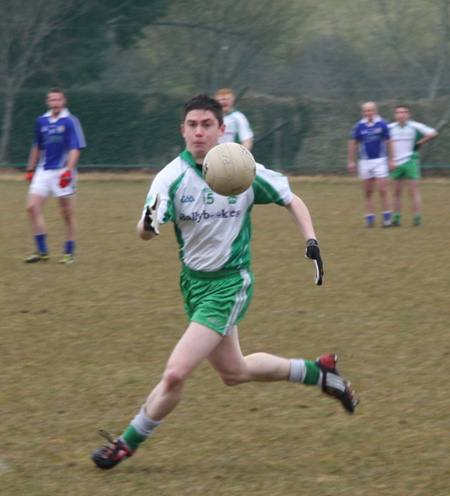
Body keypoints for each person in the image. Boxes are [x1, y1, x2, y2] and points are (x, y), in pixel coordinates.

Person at [91, 94, 358, 470]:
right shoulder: (171, 177)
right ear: (182, 130)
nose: (199, 132)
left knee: (175, 372)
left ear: (221, 130)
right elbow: (145, 230)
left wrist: (311, 240)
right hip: (193, 283)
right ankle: (319, 373)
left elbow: (290, 198)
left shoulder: (242, 170)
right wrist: (148, 226)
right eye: (192, 125)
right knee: (235, 372)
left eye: (206, 125)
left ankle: (126, 442)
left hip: (230, 284)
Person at [24, 88, 86, 264]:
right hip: (43, 171)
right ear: (48, 102)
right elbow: (37, 146)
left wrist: (68, 170)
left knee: (66, 212)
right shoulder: (41, 121)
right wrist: (30, 169)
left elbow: (75, 148)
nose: (55, 103)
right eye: (52, 100)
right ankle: (42, 251)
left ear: (64, 101)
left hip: (63, 171)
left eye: (58, 100)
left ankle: (68, 252)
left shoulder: (70, 121)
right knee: (32, 208)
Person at [388, 104, 438, 227]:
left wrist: (420, 141)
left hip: (410, 161)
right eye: (399, 112)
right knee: (396, 191)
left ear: (408, 114)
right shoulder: (390, 128)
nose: (402, 114)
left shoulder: (415, 126)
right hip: (396, 162)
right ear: (395, 115)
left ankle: (417, 219)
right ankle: (396, 219)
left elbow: (433, 133)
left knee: (413, 191)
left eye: (405, 112)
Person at [348, 102, 395, 227]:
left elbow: (390, 142)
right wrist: (351, 161)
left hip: (380, 160)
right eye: (366, 111)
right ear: (363, 113)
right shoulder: (359, 126)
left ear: (376, 111)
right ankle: (370, 220)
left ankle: (387, 220)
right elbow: (353, 143)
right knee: (368, 191)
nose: (369, 112)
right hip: (365, 162)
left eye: (371, 110)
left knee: (383, 189)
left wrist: (392, 160)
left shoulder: (383, 124)